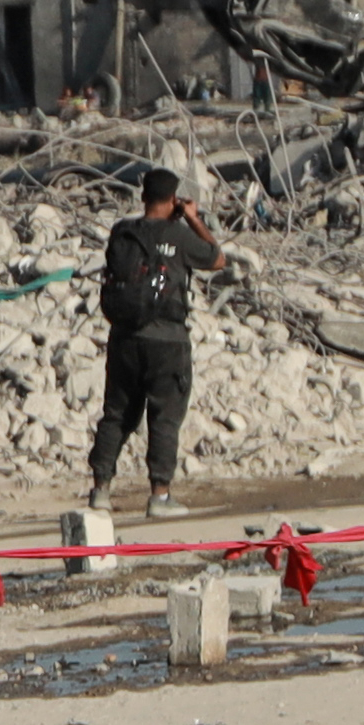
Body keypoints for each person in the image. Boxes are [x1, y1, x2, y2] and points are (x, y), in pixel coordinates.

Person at [85, 163, 237, 512]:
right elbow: (217, 259)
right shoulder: (180, 235)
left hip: (124, 337)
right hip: (167, 341)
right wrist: (192, 218)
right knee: (165, 415)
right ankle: (160, 496)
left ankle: (100, 490)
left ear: (143, 197)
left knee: (117, 413)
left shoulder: (122, 232)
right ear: (173, 201)